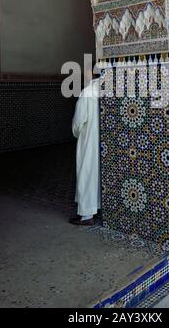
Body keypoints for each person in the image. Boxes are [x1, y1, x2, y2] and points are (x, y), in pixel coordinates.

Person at [69, 66, 101, 226]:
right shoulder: (106, 89)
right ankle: (98, 207)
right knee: (97, 174)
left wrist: (75, 133)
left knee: (86, 173)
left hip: (88, 139)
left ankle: (86, 215)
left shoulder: (87, 91)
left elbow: (78, 121)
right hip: (103, 141)